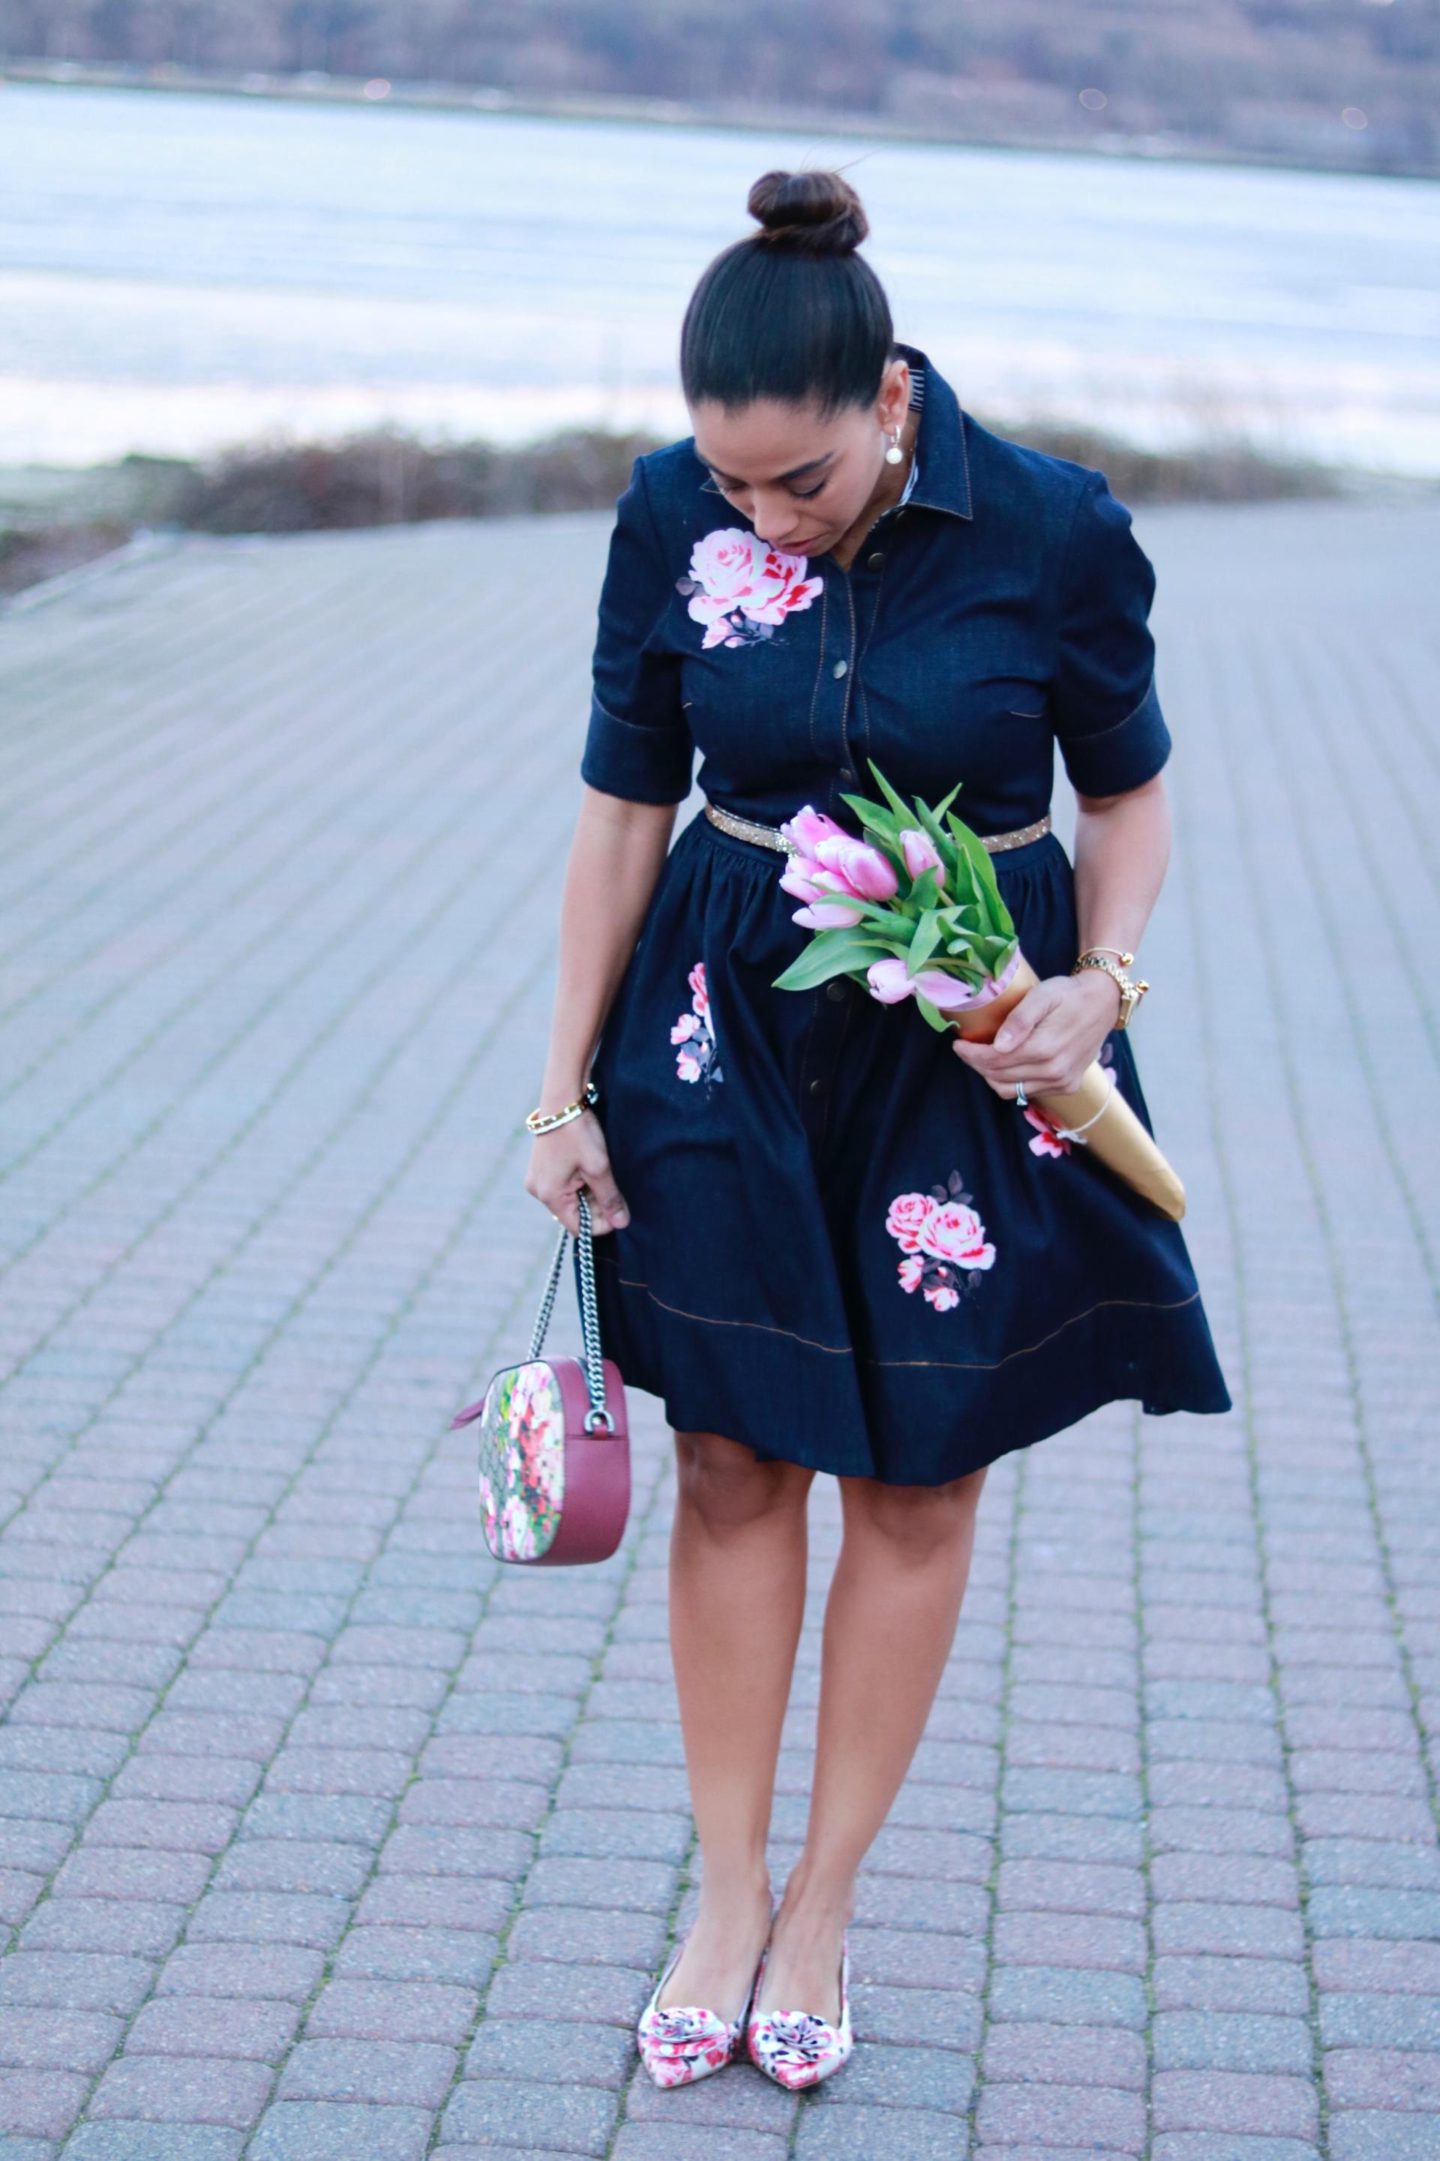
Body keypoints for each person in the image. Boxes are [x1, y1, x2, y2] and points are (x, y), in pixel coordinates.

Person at [524, 167, 1232, 2092]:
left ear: (888, 399)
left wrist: (1107, 980)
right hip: (722, 1027)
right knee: (735, 1464)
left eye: (802, 484)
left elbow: (1135, 801)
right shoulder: (671, 512)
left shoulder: (1057, 528)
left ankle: (826, 1903)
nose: (764, 518)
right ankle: (727, 1893)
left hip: (972, 1040)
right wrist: (562, 1086)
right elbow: (619, 814)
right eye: (732, 483)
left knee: (916, 1485)